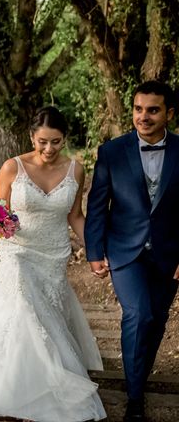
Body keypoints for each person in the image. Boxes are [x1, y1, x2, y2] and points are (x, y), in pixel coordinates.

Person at [0, 107, 105, 421]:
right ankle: (21, 387)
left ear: (65, 139)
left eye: (56, 142)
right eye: (42, 142)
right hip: (18, 252)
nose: (49, 149)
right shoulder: (12, 168)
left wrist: (95, 250)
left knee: (46, 315)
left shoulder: (75, 170)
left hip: (54, 254)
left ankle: (46, 377)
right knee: (24, 309)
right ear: (30, 137)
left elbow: (75, 215)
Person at [85, 81, 179, 421]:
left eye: (153, 110)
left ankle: (138, 378)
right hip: (125, 250)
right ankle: (135, 398)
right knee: (138, 314)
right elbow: (97, 205)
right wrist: (94, 250)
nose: (144, 116)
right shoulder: (112, 151)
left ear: (168, 113)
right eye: (139, 109)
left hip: (170, 253)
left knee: (156, 321)